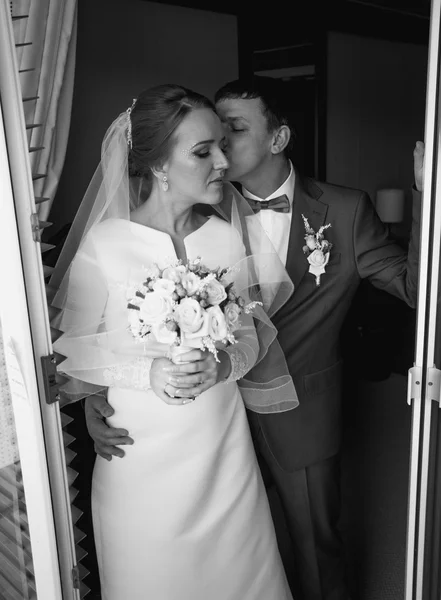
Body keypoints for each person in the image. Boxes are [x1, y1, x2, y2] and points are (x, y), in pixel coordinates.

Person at [83, 76, 424, 600]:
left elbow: (415, 286)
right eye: (211, 141)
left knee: (310, 550)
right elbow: (89, 336)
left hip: (295, 409)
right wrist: (94, 397)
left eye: (233, 134)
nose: (222, 153)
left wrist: (430, 201)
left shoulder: (344, 211)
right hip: (193, 431)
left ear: (277, 139)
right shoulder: (196, 214)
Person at [51, 84, 299, 600]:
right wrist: (143, 375)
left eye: (222, 147)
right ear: (160, 164)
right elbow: (71, 350)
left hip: (223, 453)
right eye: (203, 151)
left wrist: (224, 366)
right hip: (141, 457)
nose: (222, 163)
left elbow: (252, 338)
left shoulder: (227, 238)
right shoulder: (106, 245)